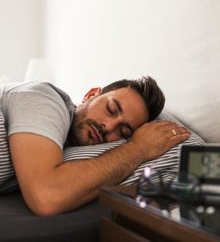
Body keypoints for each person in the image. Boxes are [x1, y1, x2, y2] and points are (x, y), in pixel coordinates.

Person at [0, 76, 190, 216]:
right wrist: (139, 148)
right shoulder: (48, 99)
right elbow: (47, 195)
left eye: (123, 132)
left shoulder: (59, 146)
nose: (108, 126)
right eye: (111, 109)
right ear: (90, 95)